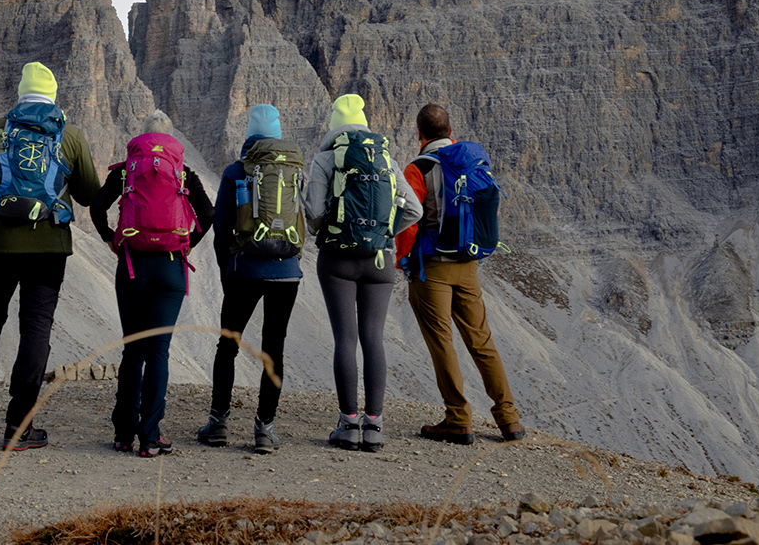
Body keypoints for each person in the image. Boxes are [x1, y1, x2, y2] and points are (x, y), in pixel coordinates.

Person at [0, 62, 103, 451]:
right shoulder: (70, 135)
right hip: (49, 249)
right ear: (53, 96)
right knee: (35, 328)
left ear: (20, 94)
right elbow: (91, 196)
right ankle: (20, 424)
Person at [398, 104, 524, 444]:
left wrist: (402, 260)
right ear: (450, 129)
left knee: (442, 343)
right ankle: (509, 419)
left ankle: (458, 419)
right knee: (481, 341)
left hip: (433, 269)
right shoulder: (469, 161)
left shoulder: (418, 168)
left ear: (420, 134)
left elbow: (410, 221)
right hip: (468, 266)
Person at [304, 93, 422, 453]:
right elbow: (414, 209)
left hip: (337, 260)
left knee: (346, 339)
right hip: (381, 260)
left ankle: (348, 423)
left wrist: (326, 231)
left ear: (334, 125)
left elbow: (314, 214)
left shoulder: (326, 159)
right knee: (374, 338)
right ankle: (375, 426)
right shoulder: (386, 159)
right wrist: (385, 233)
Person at [90, 111, 213, 457]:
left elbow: (97, 207)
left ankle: (124, 434)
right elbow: (208, 215)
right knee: (159, 350)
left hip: (132, 266)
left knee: (133, 348)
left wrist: (111, 240)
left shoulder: (127, 170)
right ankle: (151, 436)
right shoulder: (183, 172)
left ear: (141, 139)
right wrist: (186, 244)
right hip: (171, 268)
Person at [197, 104, 305, 454]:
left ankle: (218, 423)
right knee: (274, 348)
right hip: (287, 271)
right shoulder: (294, 170)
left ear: (249, 135)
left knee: (228, 344)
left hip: (243, 269)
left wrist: (228, 273)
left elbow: (220, 227)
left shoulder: (236, 170)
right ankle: (265, 429)